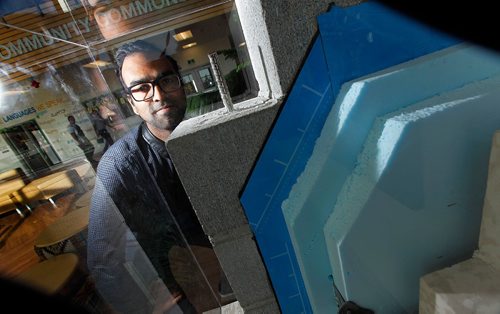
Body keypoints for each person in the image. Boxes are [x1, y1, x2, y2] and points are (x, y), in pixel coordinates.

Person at [87, 40, 229, 314]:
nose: (158, 96)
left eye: (166, 81)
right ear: (131, 103)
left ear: (181, 84)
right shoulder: (119, 164)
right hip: (184, 290)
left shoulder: (210, 132)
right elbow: (103, 260)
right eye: (142, 88)